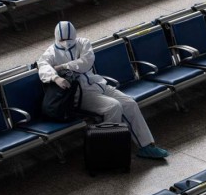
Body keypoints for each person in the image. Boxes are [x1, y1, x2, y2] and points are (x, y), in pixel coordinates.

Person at [37, 21, 169, 159]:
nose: (66, 42)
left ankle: (146, 146)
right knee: (113, 107)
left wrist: (64, 66)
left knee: (130, 103)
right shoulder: (51, 52)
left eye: (69, 39)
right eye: (62, 40)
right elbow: (43, 67)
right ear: (57, 37)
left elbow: (86, 63)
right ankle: (109, 150)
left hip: (98, 84)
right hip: (80, 94)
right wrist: (54, 77)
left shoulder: (83, 43)